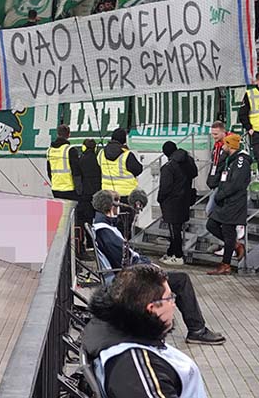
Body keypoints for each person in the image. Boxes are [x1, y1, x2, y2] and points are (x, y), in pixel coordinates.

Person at [91, 190, 224, 345]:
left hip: (129, 273)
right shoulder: (105, 231)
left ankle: (196, 329)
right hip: (130, 279)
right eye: (117, 201)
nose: (120, 205)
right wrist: (149, 266)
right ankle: (197, 330)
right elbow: (126, 262)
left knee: (178, 278)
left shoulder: (104, 227)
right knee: (182, 280)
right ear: (110, 206)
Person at [81, 264, 211, 398]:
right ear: (152, 308)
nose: (173, 304)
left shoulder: (123, 333)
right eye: (169, 298)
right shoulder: (135, 367)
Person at [205, 133, 250, 275]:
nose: (222, 146)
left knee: (228, 232)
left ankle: (226, 264)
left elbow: (236, 184)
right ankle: (236, 246)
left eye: (225, 144)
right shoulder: (230, 160)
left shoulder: (241, 161)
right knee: (211, 224)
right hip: (226, 201)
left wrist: (221, 195)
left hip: (234, 202)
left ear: (230, 145)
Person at [157, 141, 196, 265]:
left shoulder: (168, 167)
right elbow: (194, 173)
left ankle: (178, 255)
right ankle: (171, 252)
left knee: (174, 230)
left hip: (172, 202)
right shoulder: (188, 161)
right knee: (177, 229)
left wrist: (160, 198)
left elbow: (165, 187)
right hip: (185, 200)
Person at [75, 138, 101, 255]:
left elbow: (78, 176)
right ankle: (93, 242)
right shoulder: (98, 159)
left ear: (84, 147)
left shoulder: (81, 160)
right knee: (95, 219)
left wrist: (79, 191)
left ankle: (85, 244)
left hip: (84, 193)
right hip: (97, 193)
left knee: (84, 220)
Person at [98, 127, 142, 193]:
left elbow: (99, 165)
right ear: (124, 140)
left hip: (107, 193)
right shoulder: (127, 154)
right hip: (126, 192)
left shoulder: (101, 153)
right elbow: (138, 170)